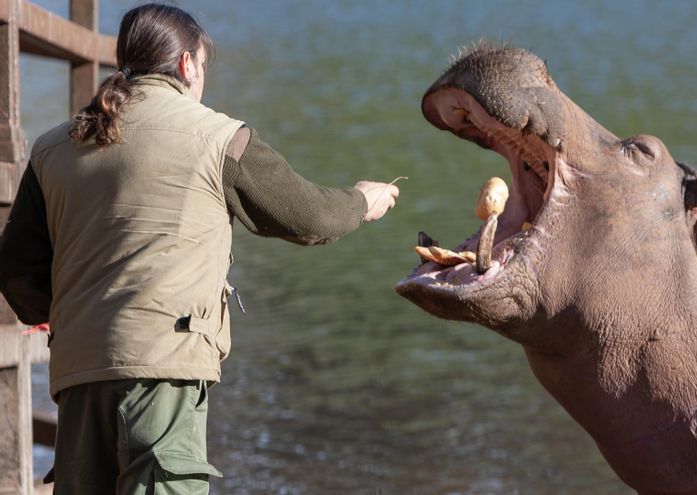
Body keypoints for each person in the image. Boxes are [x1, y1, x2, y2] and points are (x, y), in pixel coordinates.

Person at [0, 4, 399, 494]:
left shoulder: (51, 146)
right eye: (204, 67)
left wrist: (66, 315)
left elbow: (16, 270)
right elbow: (309, 218)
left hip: (78, 371)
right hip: (163, 369)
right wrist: (362, 201)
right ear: (188, 65)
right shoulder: (219, 138)